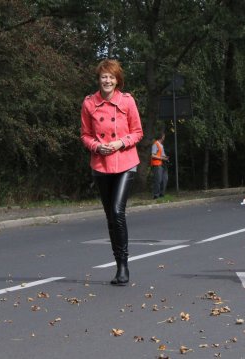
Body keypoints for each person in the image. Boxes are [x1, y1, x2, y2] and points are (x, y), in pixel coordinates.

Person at [80, 59, 144, 286]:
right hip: (101, 164)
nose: (107, 81)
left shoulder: (127, 101)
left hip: (125, 161)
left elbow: (137, 132)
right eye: (103, 77)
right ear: (99, 80)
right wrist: (97, 146)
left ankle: (124, 266)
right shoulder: (89, 103)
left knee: (117, 211)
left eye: (111, 77)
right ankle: (118, 264)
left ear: (118, 80)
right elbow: (85, 135)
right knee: (110, 217)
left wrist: (120, 143)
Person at [150, 132, 169, 199]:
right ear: (161, 137)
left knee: (165, 179)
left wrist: (166, 158)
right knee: (158, 180)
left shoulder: (161, 145)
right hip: (157, 165)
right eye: (163, 136)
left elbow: (162, 155)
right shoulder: (155, 144)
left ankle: (162, 194)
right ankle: (156, 195)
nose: (164, 137)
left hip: (163, 164)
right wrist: (162, 158)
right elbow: (153, 155)